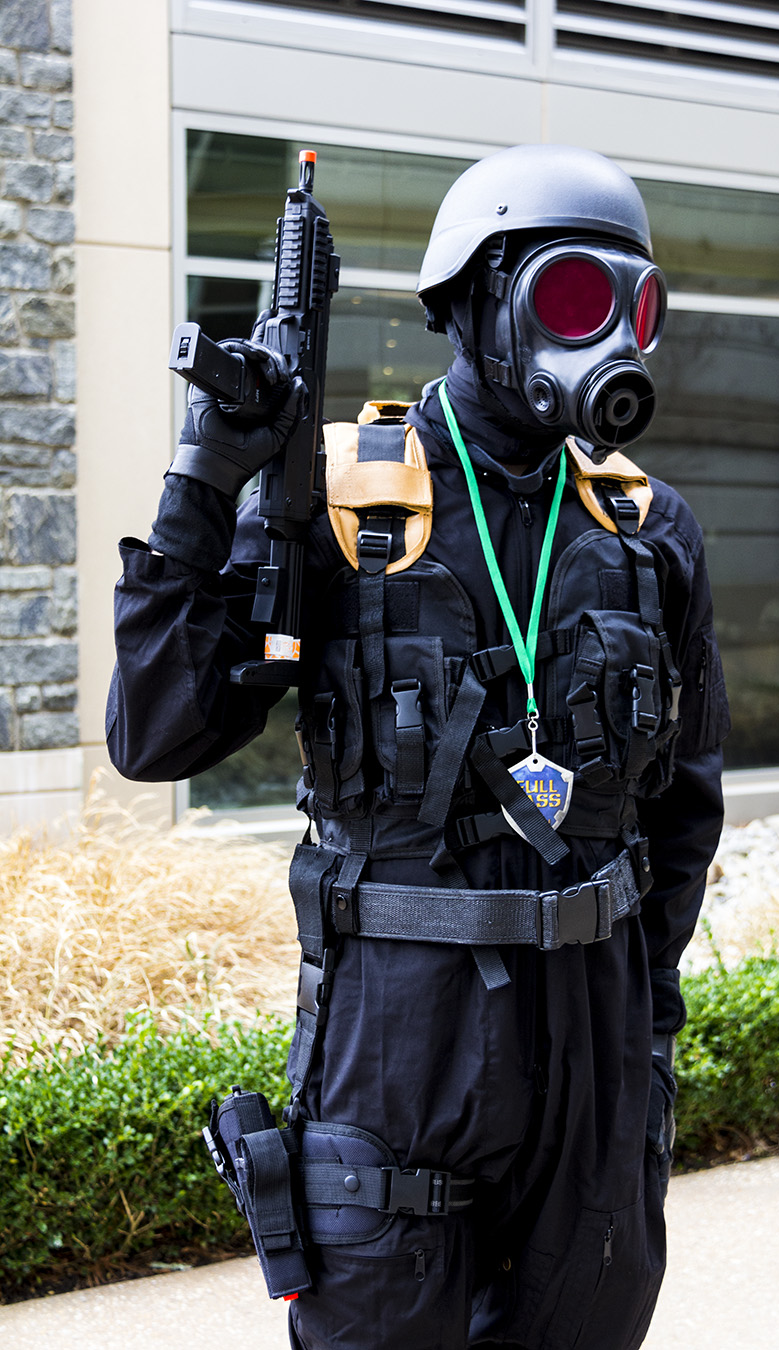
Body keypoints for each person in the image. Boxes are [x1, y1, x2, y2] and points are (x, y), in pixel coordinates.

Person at [108, 143, 729, 1350]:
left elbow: (683, 815)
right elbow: (157, 732)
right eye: (573, 296)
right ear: (475, 299)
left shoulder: (651, 531)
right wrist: (210, 476)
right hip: (399, 1044)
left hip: (594, 1048)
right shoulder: (337, 501)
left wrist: (645, 1039)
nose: (611, 337)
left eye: (635, 306)